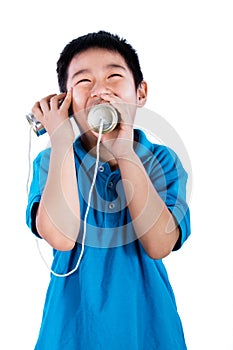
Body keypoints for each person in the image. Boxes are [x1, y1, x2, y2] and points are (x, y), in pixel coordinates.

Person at [26, 30, 191, 350]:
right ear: (65, 102)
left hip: (149, 332)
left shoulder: (162, 160)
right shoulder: (53, 161)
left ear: (140, 93)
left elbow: (160, 244)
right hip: (69, 332)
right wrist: (60, 138)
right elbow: (60, 236)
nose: (100, 90)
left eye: (114, 76)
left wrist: (124, 152)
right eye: (84, 82)